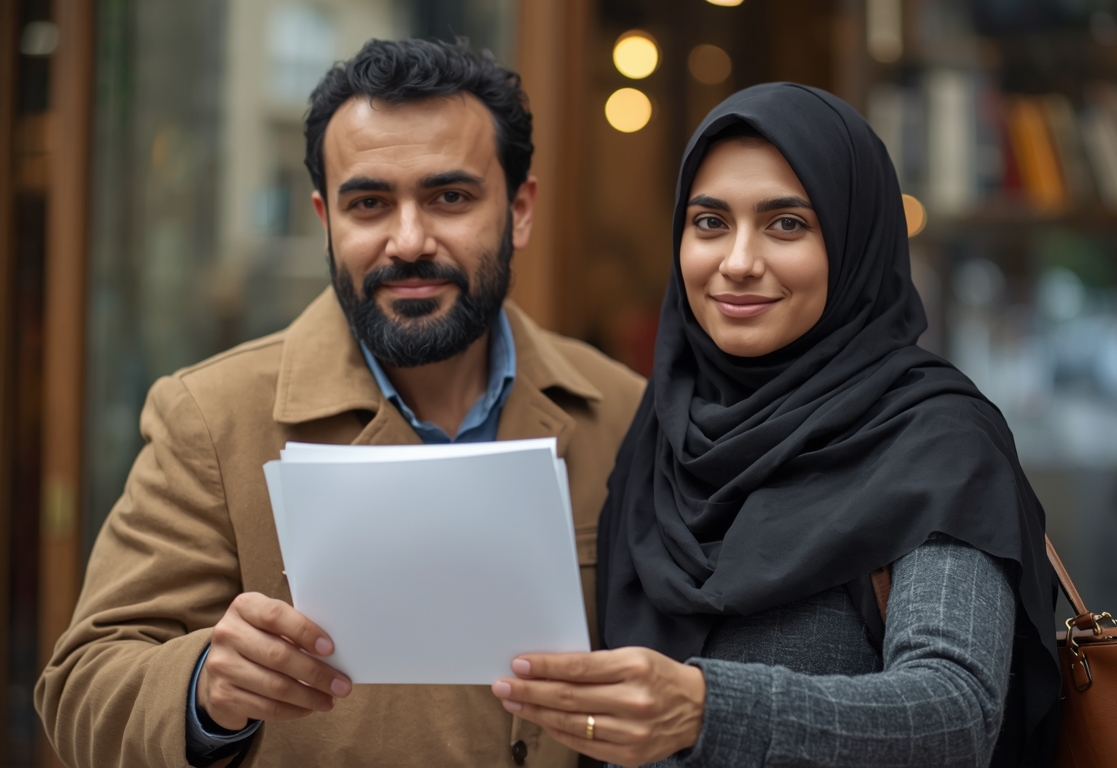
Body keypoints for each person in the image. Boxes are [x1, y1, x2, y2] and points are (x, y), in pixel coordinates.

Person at [36, 39, 645, 767]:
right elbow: (80, 690)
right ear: (326, 220)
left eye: (450, 198)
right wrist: (204, 689)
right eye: (369, 204)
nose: (408, 241)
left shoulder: (623, 411)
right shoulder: (211, 417)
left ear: (519, 209)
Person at [490, 84, 1061, 767]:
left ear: (853, 241)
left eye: (786, 224)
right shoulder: (661, 435)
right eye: (709, 222)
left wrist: (706, 711)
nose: (737, 262)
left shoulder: (936, 441)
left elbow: (954, 712)